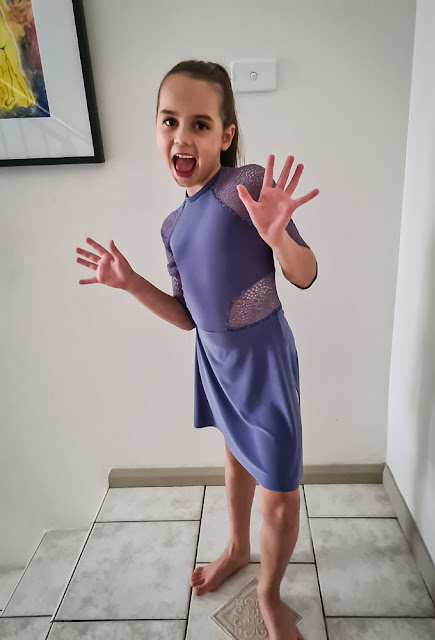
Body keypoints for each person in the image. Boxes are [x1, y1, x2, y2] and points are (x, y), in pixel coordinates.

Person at [76, 59, 318, 640]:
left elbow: (306, 274)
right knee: (235, 457)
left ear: (226, 134)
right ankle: (237, 546)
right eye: (170, 121)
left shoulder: (246, 186)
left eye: (200, 124)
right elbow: (188, 317)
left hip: (262, 360)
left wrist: (279, 237)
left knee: (280, 497)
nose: (182, 136)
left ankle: (268, 593)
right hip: (213, 360)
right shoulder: (171, 227)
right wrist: (130, 283)